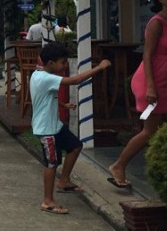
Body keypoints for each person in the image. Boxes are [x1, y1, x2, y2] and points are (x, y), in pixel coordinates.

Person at [108, 0, 167, 189]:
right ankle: (118, 165)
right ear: (161, 0)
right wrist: (150, 87)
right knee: (149, 129)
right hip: (150, 83)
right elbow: (146, 55)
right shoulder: (156, 23)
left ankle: (165, 171)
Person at [31, 41, 111, 214]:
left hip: (55, 125)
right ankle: (48, 201)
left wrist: (63, 105)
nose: (65, 65)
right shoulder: (47, 78)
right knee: (51, 163)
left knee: (75, 146)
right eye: (63, 62)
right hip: (47, 130)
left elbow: (45, 97)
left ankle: (64, 180)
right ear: (51, 63)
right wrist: (100, 67)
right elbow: (75, 80)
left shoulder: (38, 74)